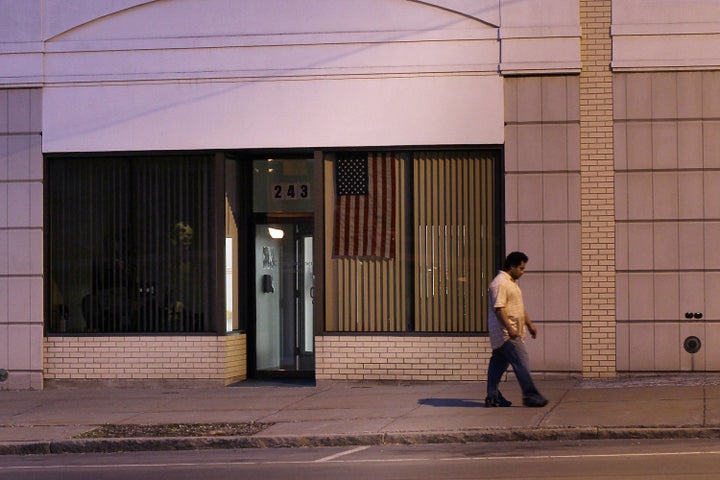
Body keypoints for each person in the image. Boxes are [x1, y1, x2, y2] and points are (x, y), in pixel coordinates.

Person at [485, 251, 548, 408]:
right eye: (520, 268)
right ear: (512, 266)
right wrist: (510, 329)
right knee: (522, 362)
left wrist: (529, 324)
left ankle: (492, 397)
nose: (522, 271)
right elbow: (499, 309)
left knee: (497, 366)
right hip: (506, 333)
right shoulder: (500, 283)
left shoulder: (511, 283)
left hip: (508, 332)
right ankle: (530, 395)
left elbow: (519, 308)